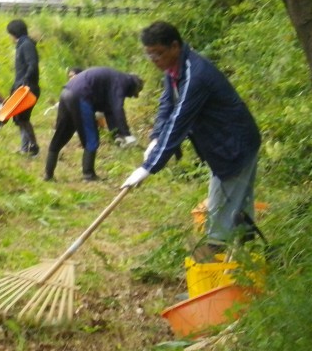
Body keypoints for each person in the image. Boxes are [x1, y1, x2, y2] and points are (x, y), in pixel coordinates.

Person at [122, 21, 261, 260]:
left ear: (175, 46)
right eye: (149, 54)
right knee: (236, 211)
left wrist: (148, 167)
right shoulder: (175, 70)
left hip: (234, 147)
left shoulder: (196, 75)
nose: (154, 59)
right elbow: (167, 105)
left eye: (158, 53)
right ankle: (243, 270)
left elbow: (180, 119)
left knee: (219, 216)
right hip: (221, 146)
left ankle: (212, 281)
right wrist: (156, 139)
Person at [45, 67, 144, 182]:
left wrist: (117, 134)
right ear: (133, 86)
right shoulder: (122, 82)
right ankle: (88, 175)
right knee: (91, 138)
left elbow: (110, 111)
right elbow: (118, 109)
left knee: (61, 135)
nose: (131, 96)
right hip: (81, 95)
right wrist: (127, 134)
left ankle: (48, 174)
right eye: (133, 94)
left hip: (66, 92)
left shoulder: (113, 79)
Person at [6, 19, 41, 156]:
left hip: (27, 87)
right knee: (19, 118)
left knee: (22, 118)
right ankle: (25, 147)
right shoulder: (23, 44)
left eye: (10, 34)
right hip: (22, 85)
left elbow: (32, 64)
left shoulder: (26, 45)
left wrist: (25, 82)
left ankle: (33, 147)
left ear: (14, 33)